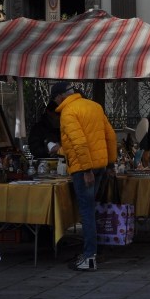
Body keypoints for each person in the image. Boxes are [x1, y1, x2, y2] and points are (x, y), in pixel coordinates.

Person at [52, 81, 117, 271]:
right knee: (91, 209)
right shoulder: (94, 106)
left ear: (60, 97)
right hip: (101, 166)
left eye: (55, 100)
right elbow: (111, 136)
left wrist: (87, 169)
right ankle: (93, 252)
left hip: (84, 168)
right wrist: (111, 163)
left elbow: (79, 143)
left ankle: (89, 257)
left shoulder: (68, 112)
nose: (55, 104)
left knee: (87, 212)